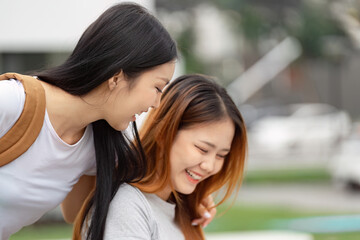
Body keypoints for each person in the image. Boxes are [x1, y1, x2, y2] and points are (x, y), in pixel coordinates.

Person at [0, 3, 178, 239]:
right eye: (157, 87)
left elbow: (74, 213)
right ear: (117, 77)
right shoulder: (12, 101)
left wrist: (196, 199)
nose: (157, 103)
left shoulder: (98, 147)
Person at [74, 74, 248, 240]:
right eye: (202, 149)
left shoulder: (180, 207)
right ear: (165, 133)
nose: (210, 166)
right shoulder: (127, 205)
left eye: (221, 155)